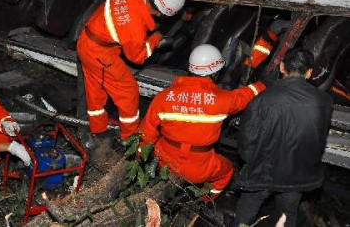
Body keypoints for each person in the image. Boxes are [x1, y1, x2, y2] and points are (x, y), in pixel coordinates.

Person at [76, 0, 186, 148]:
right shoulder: (136, 29)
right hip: (100, 53)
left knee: (95, 88)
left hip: (86, 40)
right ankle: (129, 138)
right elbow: (137, 57)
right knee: (128, 90)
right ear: (163, 14)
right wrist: (155, 39)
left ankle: (98, 130)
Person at [139, 44, 265, 201]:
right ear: (215, 73)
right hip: (198, 169)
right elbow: (244, 96)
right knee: (226, 172)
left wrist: (139, 161)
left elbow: (146, 134)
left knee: (156, 139)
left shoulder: (164, 97)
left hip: (164, 160)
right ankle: (203, 200)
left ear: (191, 69)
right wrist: (262, 85)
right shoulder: (222, 100)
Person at [233, 48, 333, 227]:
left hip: (263, 173)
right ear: (309, 73)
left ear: (281, 67)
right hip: (297, 174)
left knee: (245, 212)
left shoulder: (262, 99)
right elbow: (318, 139)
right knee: (288, 215)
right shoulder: (324, 101)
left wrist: (252, 162)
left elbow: (247, 141)